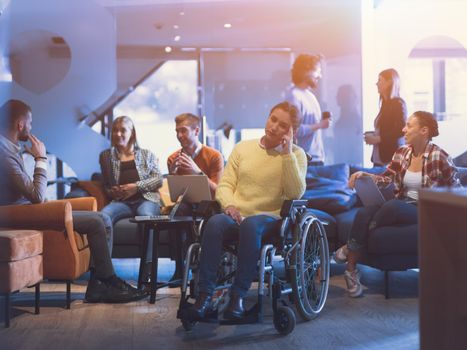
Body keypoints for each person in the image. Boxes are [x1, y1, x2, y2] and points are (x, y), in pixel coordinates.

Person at [0, 99, 146, 303]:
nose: (32, 127)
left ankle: (99, 285)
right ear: (20, 124)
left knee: (102, 219)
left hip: (28, 209)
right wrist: (41, 159)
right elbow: (37, 195)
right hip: (21, 214)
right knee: (97, 221)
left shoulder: (9, 148)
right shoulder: (4, 153)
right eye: (30, 122)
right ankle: (108, 281)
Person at [189, 101, 307, 320]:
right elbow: (225, 186)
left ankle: (238, 298)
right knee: (215, 223)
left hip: (269, 219)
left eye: (282, 125)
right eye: (273, 119)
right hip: (237, 216)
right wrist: (230, 205)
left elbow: (294, 194)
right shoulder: (243, 148)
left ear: (291, 131)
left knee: (252, 225)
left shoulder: (296, 155)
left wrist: (287, 153)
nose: (273, 127)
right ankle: (204, 296)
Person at [334, 111, 459, 297]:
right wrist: (366, 176)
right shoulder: (402, 152)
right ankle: (351, 272)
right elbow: (386, 178)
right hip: (401, 207)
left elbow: (456, 189)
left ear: (424, 130)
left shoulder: (439, 156)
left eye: (409, 125)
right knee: (364, 213)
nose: (403, 129)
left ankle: (350, 246)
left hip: (425, 212)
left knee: (392, 206)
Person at [166, 113, 224, 282]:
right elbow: (175, 196)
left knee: (211, 214)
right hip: (187, 202)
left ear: (196, 130)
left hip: (209, 204)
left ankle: (207, 268)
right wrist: (173, 175)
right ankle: (179, 269)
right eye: (177, 131)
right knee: (175, 213)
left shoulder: (214, 156)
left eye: (183, 131)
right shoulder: (172, 158)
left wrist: (197, 172)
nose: (179, 136)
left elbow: (218, 192)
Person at [99, 116, 163, 228]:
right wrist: (112, 192)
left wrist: (136, 187)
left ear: (132, 133)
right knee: (103, 216)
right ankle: (106, 246)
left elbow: (158, 180)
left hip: (146, 199)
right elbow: (106, 185)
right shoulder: (106, 156)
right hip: (121, 202)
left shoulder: (146, 154)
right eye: (115, 130)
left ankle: (147, 246)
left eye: (123, 130)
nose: (118, 134)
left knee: (145, 215)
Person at [286, 53, 330, 165]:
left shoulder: (310, 96)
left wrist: (321, 123)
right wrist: (320, 125)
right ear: (305, 72)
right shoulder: (294, 96)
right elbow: (294, 130)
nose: (320, 76)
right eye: (318, 71)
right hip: (304, 161)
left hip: (317, 159)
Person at [364, 68, 407, 167]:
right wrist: (374, 134)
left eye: (380, 80)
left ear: (389, 83)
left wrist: (378, 138)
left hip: (391, 159)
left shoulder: (398, 103)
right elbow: (388, 129)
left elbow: (401, 130)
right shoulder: (385, 104)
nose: (376, 83)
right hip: (379, 159)